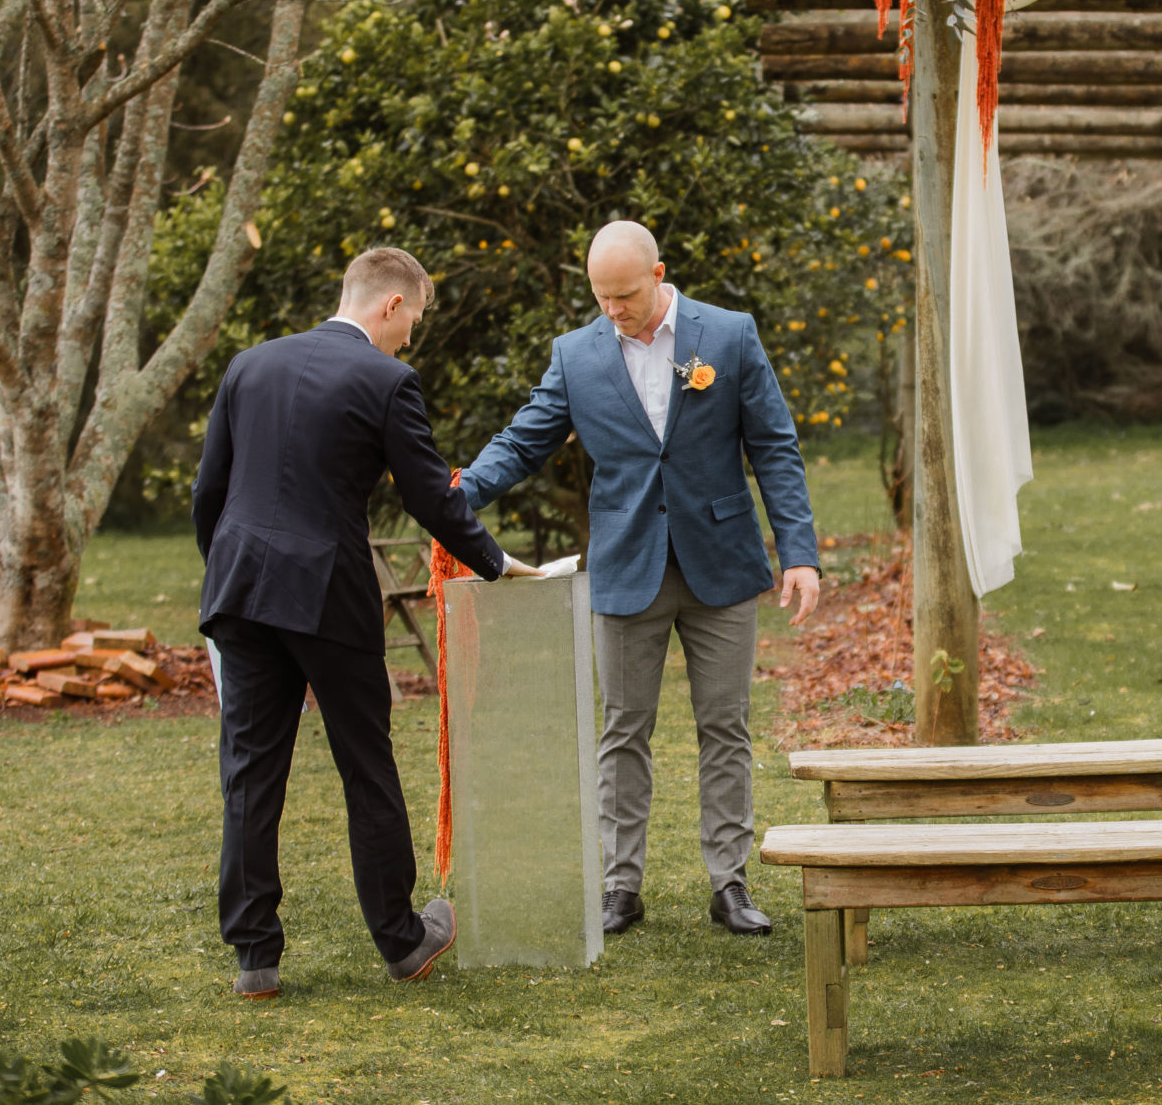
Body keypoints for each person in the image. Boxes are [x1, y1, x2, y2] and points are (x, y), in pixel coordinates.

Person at [456, 221, 821, 938]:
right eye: (601, 296)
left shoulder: (729, 335)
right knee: (623, 730)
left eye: (625, 294)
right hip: (626, 565)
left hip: (721, 562)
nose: (613, 310)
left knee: (725, 725)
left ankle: (730, 883)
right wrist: (456, 493)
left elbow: (774, 446)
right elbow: (524, 440)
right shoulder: (576, 354)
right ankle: (620, 885)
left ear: (659, 273)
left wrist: (799, 551)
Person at [193, 248, 538, 999]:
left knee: (250, 771)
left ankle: (255, 957)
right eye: (414, 316)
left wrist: (228, 570)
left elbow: (209, 490)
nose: (412, 335)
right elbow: (431, 497)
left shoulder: (249, 365)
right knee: (366, 765)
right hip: (326, 596)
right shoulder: (387, 380)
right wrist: (494, 559)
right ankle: (403, 940)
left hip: (241, 589)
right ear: (389, 304)